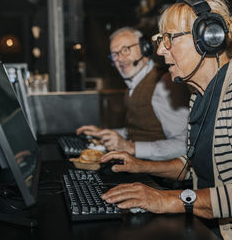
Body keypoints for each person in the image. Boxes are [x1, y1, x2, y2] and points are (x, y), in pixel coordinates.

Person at [100, 0, 232, 239]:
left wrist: (166, 200)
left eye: (170, 39)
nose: (161, 50)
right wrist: (141, 165)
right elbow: (196, 166)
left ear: (208, 38)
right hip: (212, 224)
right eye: (161, 40)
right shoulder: (200, 94)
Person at [77, 27, 190, 161]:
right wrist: (105, 134)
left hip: (160, 177)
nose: (120, 58)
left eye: (125, 50)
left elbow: (184, 144)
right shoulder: (134, 83)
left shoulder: (163, 84)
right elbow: (139, 130)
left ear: (145, 48)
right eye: (114, 54)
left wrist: (131, 147)